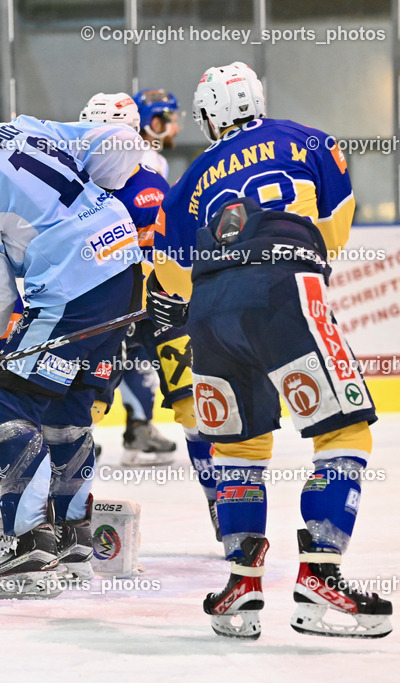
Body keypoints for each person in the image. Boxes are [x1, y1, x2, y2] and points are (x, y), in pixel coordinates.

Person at [154, 61, 391, 639]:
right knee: (344, 431)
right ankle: (321, 578)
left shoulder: (187, 182)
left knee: (237, 450)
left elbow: (171, 275)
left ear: (209, 116)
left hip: (210, 312)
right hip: (284, 290)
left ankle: (241, 589)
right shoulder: (310, 141)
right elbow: (333, 228)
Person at [0, 80, 146, 596]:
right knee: (65, 407)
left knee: (9, 399)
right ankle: (74, 536)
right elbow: (121, 144)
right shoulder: (27, 128)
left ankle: (31, 544)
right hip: (124, 267)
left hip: (72, 285)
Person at [80, 93, 220, 536]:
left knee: (195, 408)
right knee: (80, 413)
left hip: (162, 310)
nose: (94, 145)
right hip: (104, 315)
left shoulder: (154, 186)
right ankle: (68, 514)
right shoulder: (73, 188)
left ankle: (225, 507)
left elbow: (179, 250)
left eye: (105, 136)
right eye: (89, 135)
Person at [132, 89, 179, 180]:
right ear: (156, 125)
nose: (177, 128)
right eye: (174, 122)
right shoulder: (148, 161)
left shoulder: (160, 161)